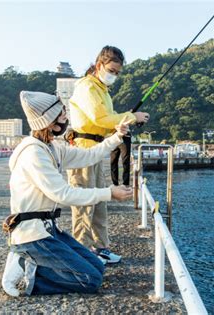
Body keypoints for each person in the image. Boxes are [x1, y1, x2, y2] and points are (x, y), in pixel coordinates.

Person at [1, 91, 133, 297]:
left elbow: (90, 155)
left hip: (48, 230)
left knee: (98, 267)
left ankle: (34, 262)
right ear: (50, 122)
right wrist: (108, 193)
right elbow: (63, 194)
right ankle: (28, 271)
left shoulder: (52, 147)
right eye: (62, 115)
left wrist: (117, 137)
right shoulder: (34, 153)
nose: (66, 119)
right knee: (91, 280)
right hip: (32, 235)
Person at [68, 46, 150, 264]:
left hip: (96, 150)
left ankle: (101, 248)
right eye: (111, 70)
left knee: (100, 202)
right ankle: (82, 252)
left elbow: (108, 121)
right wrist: (133, 116)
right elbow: (101, 118)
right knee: (84, 203)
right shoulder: (87, 87)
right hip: (82, 151)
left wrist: (126, 123)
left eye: (117, 72)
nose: (114, 75)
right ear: (99, 65)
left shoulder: (102, 90)